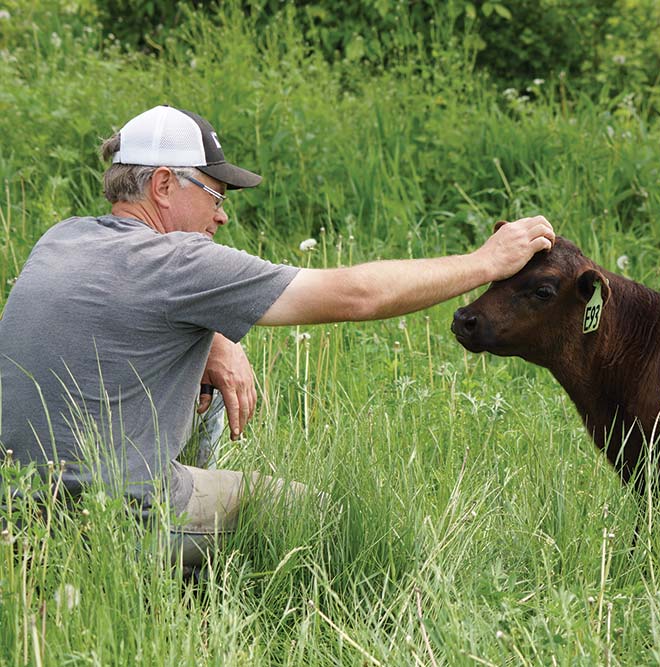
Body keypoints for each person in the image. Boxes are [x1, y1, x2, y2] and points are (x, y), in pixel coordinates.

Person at [0, 105, 554, 567]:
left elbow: (108, 313)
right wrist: (485, 263)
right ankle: (188, 590)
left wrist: (215, 337)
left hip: (22, 510)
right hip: (111, 521)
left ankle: (161, 580)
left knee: (204, 386)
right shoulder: (180, 262)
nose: (222, 218)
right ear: (164, 185)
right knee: (319, 516)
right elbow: (355, 294)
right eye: (215, 195)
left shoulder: (60, 238)